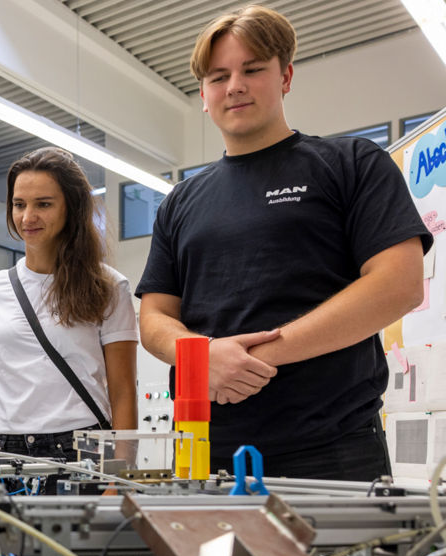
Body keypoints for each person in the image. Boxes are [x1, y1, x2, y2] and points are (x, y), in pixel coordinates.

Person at [136, 5, 432, 481]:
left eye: (252, 69)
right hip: (204, 449)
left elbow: (398, 285)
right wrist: (202, 356)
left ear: (286, 76)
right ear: (204, 95)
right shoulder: (179, 202)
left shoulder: (352, 164)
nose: (235, 86)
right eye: (218, 77)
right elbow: (153, 318)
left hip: (332, 450)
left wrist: (250, 361)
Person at [0, 147, 138, 461]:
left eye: (43, 204)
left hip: (80, 449)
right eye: (19, 204)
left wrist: (121, 468)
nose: (27, 217)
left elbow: (123, 390)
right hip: (1, 449)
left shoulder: (109, 287)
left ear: (72, 207)